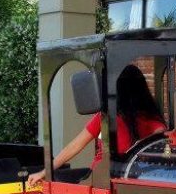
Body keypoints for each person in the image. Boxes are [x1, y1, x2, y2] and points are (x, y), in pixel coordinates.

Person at [27, 65, 166, 187]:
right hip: (133, 180)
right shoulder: (154, 121)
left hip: (100, 182)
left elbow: (75, 146)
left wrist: (44, 172)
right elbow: (160, 143)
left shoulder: (106, 117)